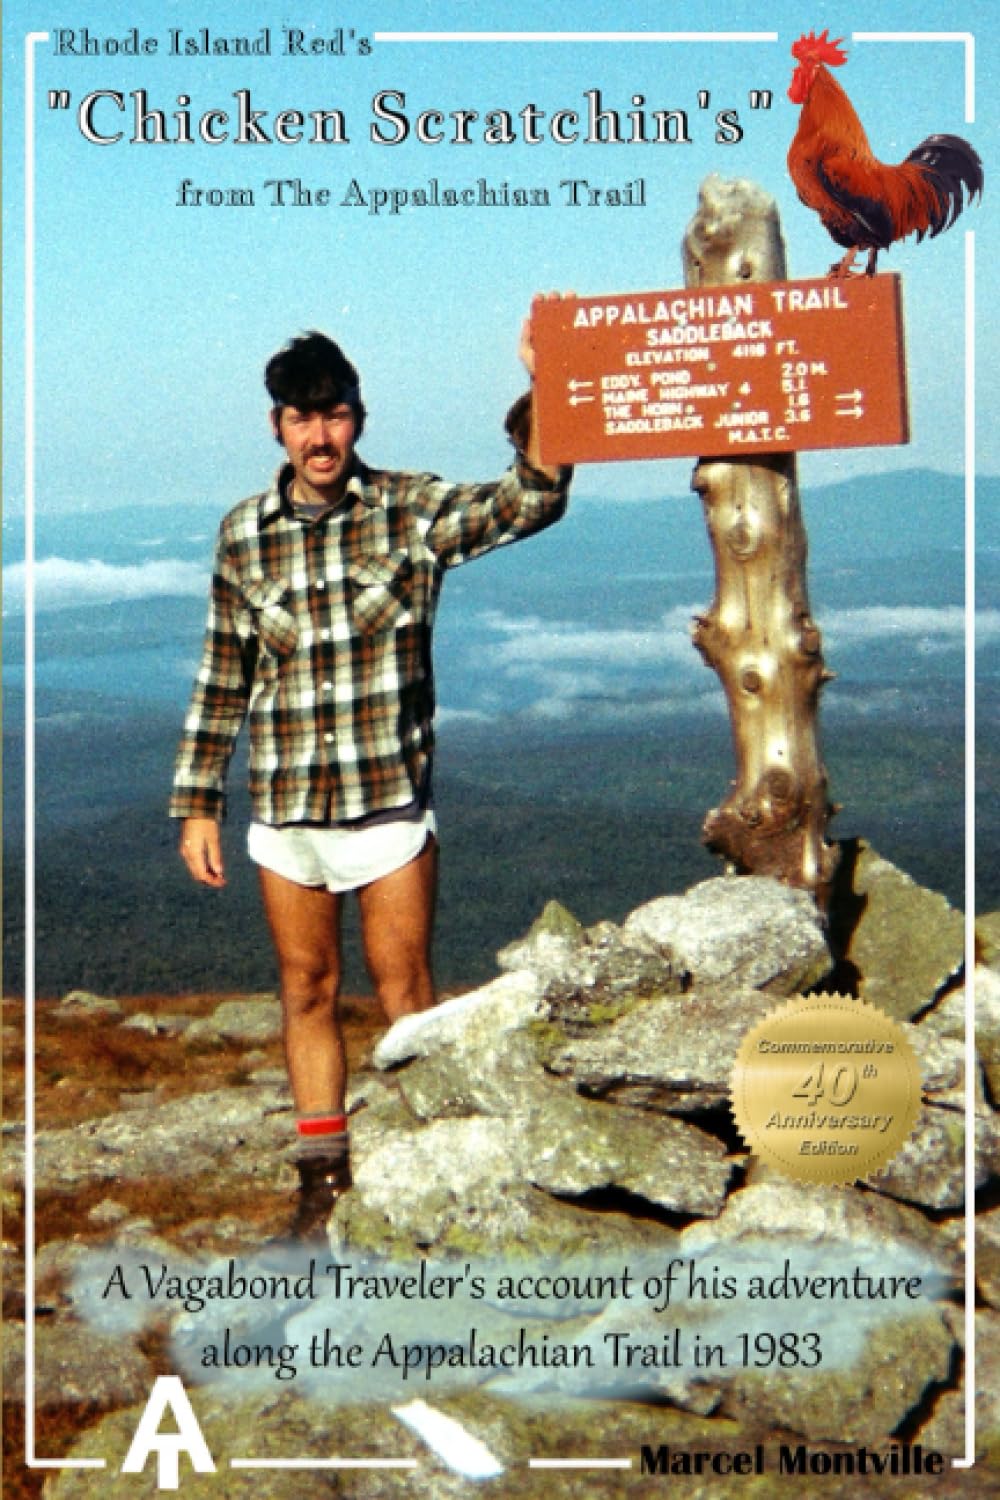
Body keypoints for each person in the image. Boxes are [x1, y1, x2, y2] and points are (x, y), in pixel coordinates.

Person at [169, 310, 570, 1240]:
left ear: (359, 418)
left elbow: (529, 500)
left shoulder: (410, 510)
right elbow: (224, 671)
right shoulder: (242, 537)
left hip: (387, 801)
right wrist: (198, 801)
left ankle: (442, 1170)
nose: (320, 435)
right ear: (276, 426)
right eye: (302, 418)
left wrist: (552, 387)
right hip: (286, 809)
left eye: (335, 414)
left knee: (406, 993)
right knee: (305, 988)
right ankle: (324, 1191)